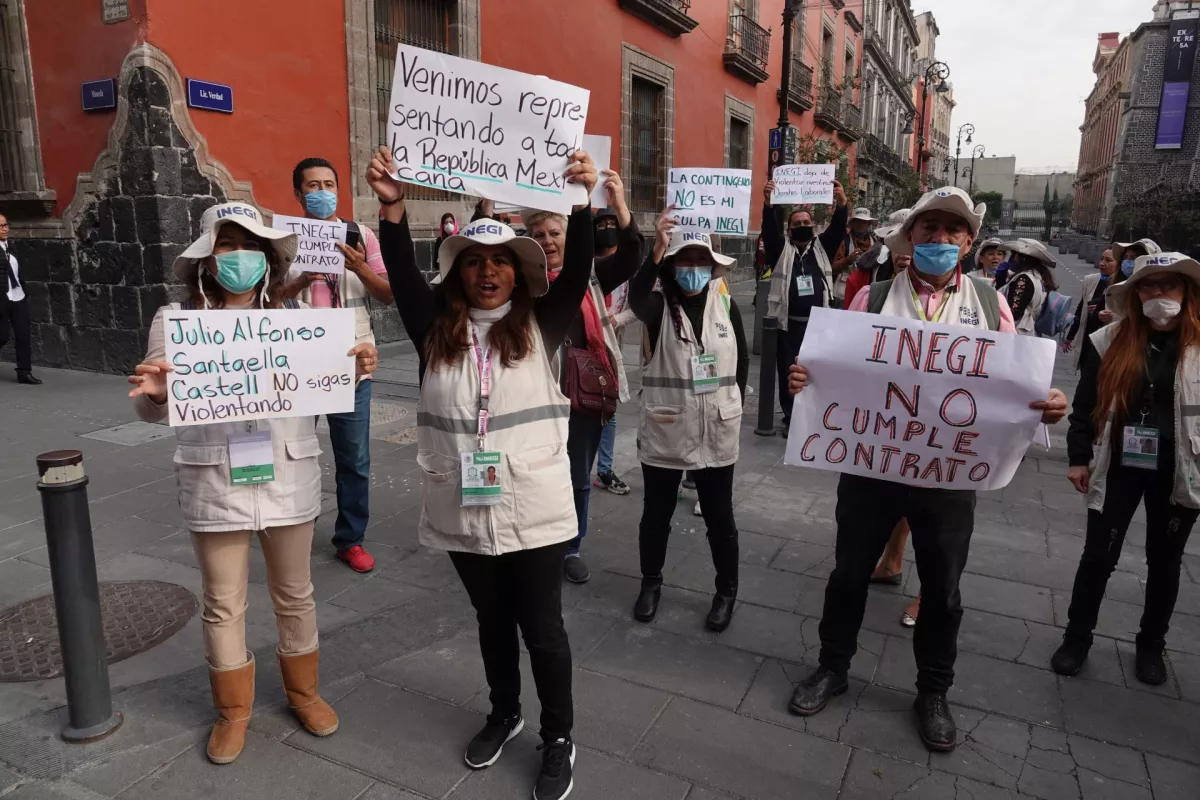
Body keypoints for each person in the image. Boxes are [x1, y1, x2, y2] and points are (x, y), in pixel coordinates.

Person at [784, 186, 1069, 753]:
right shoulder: (874, 296)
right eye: (928, 228)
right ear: (910, 237)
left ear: (967, 243)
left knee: (943, 590)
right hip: (873, 467)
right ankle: (832, 667)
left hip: (947, 476)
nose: (939, 239)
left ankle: (933, 692)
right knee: (847, 576)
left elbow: (1014, 386)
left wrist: (1048, 406)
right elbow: (835, 368)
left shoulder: (991, 306)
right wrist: (804, 380)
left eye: (951, 231)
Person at [368, 145, 595, 800]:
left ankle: (558, 737)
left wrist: (580, 203)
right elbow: (406, 279)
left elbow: (577, 272)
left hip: (536, 507)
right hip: (461, 502)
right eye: (475, 262)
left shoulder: (545, 322)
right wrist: (392, 206)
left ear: (518, 274)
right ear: (460, 273)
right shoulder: (433, 328)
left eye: (500, 261)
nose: (488, 271)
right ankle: (504, 712)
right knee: (491, 619)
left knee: (542, 625)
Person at [128, 202, 378, 764]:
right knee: (223, 601)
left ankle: (304, 692)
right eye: (226, 246)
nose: (237, 256)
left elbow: (340, 381)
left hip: (288, 474)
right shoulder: (175, 323)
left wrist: (358, 366)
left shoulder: (305, 326)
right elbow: (154, 408)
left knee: (296, 594)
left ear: (267, 260)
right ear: (207, 260)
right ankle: (232, 711)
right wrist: (158, 392)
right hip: (214, 478)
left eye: (248, 246)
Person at [1055, 252, 1200, 686]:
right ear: (1135, 294)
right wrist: (1078, 457)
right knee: (1098, 556)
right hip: (1116, 464)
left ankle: (1151, 645)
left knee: (1166, 561)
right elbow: (1085, 405)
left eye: (1169, 286)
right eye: (1148, 286)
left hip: (1180, 469)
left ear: (1186, 293)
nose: (1158, 293)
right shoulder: (1109, 340)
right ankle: (1076, 638)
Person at [628, 211, 749, 631]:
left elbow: (743, 361)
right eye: (684, 261)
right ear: (671, 266)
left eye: (700, 261)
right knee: (656, 513)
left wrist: (729, 403)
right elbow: (635, 297)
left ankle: (726, 591)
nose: (693, 269)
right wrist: (657, 247)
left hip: (717, 427)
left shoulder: (726, 303)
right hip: (666, 428)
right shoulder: (658, 306)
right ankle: (650, 583)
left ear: (712, 265)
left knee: (720, 516)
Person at [527, 174, 643, 584]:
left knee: (578, 476)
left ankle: (571, 547)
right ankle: (536, 542)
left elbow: (630, 258)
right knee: (533, 472)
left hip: (584, 396)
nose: (548, 240)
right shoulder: (521, 282)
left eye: (555, 232)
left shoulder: (589, 275)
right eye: (538, 234)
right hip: (535, 397)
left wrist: (620, 203)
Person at [281, 157, 393, 573]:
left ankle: (351, 538)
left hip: (353, 364)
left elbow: (387, 294)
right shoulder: (282, 238)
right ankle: (297, 529)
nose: (322, 191)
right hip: (299, 363)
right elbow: (267, 299)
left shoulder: (360, 234)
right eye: (312, 185)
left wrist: (359, 266)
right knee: (297, 453)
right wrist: (298, 280)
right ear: (298, 193)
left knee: (355, 458)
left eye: (328, 183)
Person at [762, 178, 849, 434]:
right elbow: (769, 231)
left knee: (815, 372)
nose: (801, 226)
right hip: (787, 326)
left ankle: (811, 415)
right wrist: (768, 205)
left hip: (817, 327)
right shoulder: (781, 250)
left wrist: (842, 203)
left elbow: (837, 227)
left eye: (806, 223)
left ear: (813, 227)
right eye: (796, 224)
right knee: (788, 372)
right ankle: (790, 417)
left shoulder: (823, 247)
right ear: (788, 230)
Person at [593, 207, 636, 496]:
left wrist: (616, 320)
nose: (607, 228)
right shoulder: (584, 264)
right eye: (602, 224)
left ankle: (605, 469)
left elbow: (640, 305)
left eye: (612, 223)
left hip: (612, 345)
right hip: (580, 344)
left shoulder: (628, 269)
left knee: (608, 408)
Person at [842, 209, 911, 310]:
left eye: (864, 222)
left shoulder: (936, 281)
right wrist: (848, 259)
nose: (905, 254)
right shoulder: (864, 278)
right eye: (897, 242)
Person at [0, 214, 39, 385]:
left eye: (6, 224)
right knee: (2, 336)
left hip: (18, 296)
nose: (5, 228)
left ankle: (24, 372)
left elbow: (17, 271)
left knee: (23, 335)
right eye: (1, 226)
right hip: (2, 299)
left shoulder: (11, 247)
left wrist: (23, 289)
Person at [1064, 247, 1120, 367]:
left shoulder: (1123, 286)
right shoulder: (1090, 280)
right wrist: (1070, 336)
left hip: (1110, 345)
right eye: (1101, 259)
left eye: (1108, 260)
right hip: (1088, 340)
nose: (1102, 263)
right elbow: (1081, 309)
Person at [1000, 238, 1058, 335]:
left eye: (1014, 255)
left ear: (1023, 257)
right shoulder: (1038, 276)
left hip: (1017, 332)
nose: (1012, 259)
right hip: (1030, 330)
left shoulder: (1024, 279)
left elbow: (1013, 312)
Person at [830, 208, 876, 306]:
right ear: (853, 224)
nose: (860, 225)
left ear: (869, 224)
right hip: (844, 293)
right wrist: (848, 259)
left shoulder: (874, 242)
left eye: (864, 222)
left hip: (867, 294)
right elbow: (833, 267)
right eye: (857, 221)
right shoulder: (844, 241)